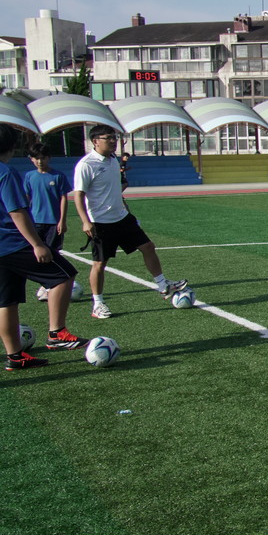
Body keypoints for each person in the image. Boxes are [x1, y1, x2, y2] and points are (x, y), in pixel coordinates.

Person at [73, 124, 188, 320]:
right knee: (100, 264)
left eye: (114, 137)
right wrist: (85, 221)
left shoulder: (112, 160)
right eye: (108, 137)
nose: (112, 141)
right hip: (101, 222)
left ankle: (163, 285)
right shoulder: (86, 165)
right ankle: (98, 303)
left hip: (122, 218)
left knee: (148, 247)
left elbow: (114, 190)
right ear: (95, 141)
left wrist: (127, 211)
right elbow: (78, 196)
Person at [0, 125, 88, 368]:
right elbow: (16, 212)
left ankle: (15, 357)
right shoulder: (6, 172)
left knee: (6, 302)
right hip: (13, 242)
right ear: (12, 147)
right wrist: (38, 244)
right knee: (64, 275)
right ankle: (56, 333)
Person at [24, 143, 72, 255]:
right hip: (35, 222)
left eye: (43, 158)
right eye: (37, 158)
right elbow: (26, 198)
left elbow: (63, 199)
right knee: (35, 251)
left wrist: (62, 220)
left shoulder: (58, 176)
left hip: (53, 222)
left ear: (49, 158)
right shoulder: (29, 176)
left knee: (53, 252)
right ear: (31, 159)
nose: (40, 162)